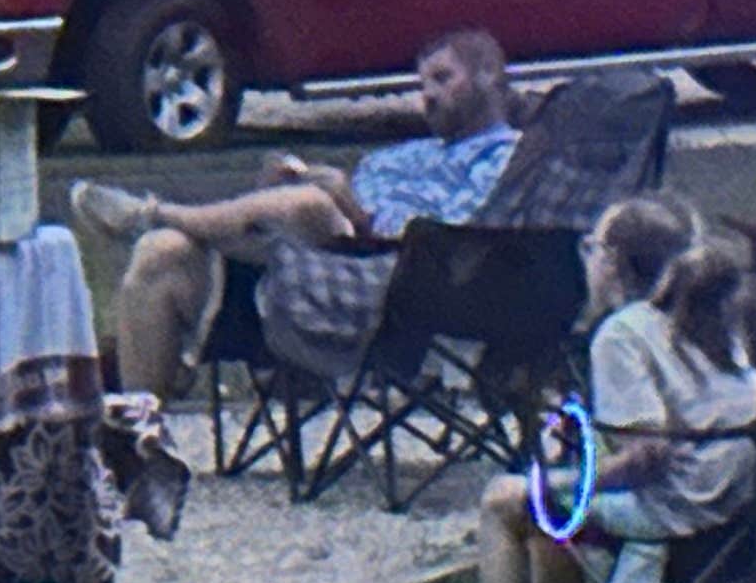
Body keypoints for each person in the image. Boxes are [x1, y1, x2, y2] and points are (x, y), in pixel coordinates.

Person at [434, 197, 756, 583]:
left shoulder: (625, 333)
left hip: (678, 517)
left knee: (504, 500)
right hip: (738, 513)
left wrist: (561, 478)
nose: (584, 259)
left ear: (611, 261)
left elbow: (646, 457)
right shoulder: (709, 313)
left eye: (590, 247)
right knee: (550, 517)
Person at [64, 27, 521, 398]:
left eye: (443, 79)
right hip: (299, 280)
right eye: (423, 84)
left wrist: (351, 209)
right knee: (161, 252)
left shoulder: (508, 158)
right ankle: (141, 442)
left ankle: (154, 212)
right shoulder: (399, 156)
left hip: (389, 290)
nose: (429, 95)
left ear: (487, 76)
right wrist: (274, 190)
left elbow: (455, 240)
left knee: (310, 204)